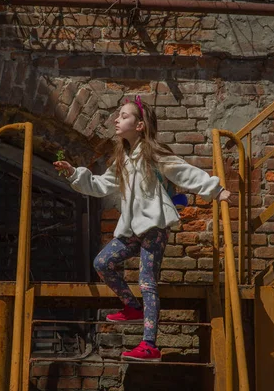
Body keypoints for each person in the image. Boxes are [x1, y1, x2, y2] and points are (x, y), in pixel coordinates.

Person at [53, 96, 234, 362]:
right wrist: (73, 174)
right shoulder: (122, 159)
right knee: (102, 262)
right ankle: (132, 307)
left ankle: (149, 345)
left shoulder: (153, 153)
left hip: (154, 228)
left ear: (139, 125)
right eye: (118, 115)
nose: (116, 119)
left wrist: (216, 190)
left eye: (123, 116)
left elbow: (185, 173)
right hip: (131, 229)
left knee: (147, 281)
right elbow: (100, 185)